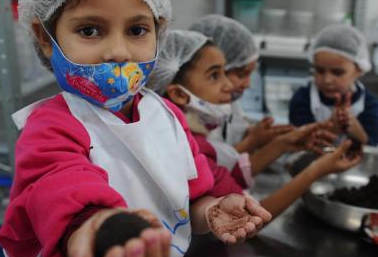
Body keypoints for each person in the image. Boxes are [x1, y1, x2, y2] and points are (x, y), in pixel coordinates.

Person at [0, 0, 271, 257]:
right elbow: (61, 192)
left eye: (137, 30)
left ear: (159, 29)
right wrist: (98, 233)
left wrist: (210, 211)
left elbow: (188, 197)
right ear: (46, 39)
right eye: (90, 30)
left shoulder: (167, 117)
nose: (118, 51)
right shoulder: (51, 126)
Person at [148, 29, 361, 218]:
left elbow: (225, 178)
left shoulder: (186, 136)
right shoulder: (186, 147)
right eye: (215, 76)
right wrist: (316, 171)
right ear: (178, 94)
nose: (229, 85)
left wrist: (283, 144)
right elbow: (250, 217)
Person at [190, 14, 293, 156]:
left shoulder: (227, 104)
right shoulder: (189, 120)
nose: (248, 84)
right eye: (241, 74)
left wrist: (278, 135)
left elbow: (240, 130)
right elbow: (214, 166)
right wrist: (252, 142)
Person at [289, 24, 378, 145]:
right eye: (319, 71)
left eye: (337, 72)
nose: (327, 80)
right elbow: (299, 142)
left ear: (359, 70)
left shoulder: (369, 105)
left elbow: (371, 147)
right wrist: (332, 128)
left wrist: (358, 132)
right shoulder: (303, 98)